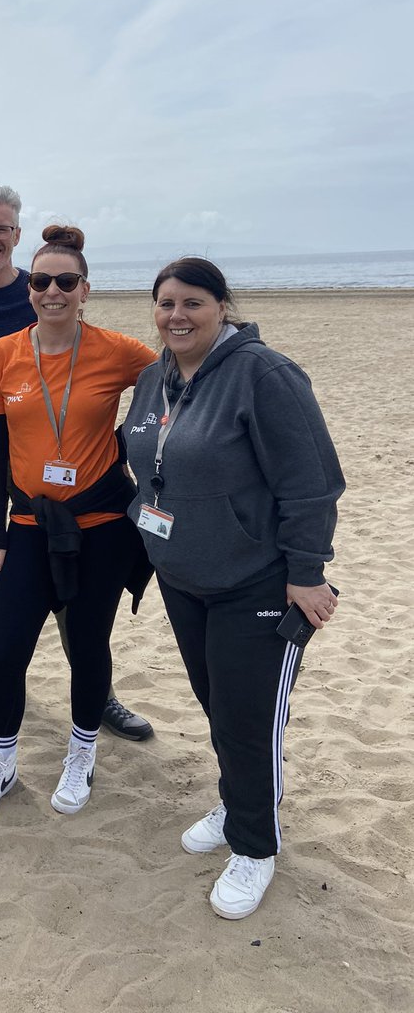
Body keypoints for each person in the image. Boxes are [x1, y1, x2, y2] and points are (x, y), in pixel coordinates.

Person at [123, 257, 344, 919]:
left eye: (193, 302)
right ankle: (241, 799)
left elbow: (312, 483)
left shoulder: (263, 375)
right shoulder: (151, 378)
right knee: (218, 705)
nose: (177, 316)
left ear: (223, 305)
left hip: (257, 583)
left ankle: (255, 846)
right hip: (183, 578)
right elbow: (143, 463)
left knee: (248, 722)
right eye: (165, 304)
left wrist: (306, 572)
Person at [0, 185, 153, 741]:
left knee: (73, 588)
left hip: (72, 472)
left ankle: (95, 690)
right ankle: (3, 680)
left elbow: (165, 381)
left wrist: (122, 446)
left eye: (0, 228)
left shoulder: (49, 299)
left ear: (17, 236)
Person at [0, 226, 157, 827]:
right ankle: (1, 761)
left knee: (89, 642)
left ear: (84, 290)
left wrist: (130, 444)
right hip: (27, 523)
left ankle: (81, 752)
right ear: (29, 288)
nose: (53, 291)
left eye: (65, 282)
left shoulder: (119, 351)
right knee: (7, 645)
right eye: (42, 280)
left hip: (101, 525)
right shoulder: (3, 354)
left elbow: (177, 382)